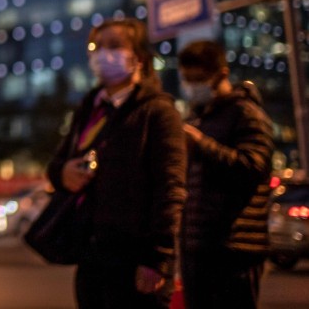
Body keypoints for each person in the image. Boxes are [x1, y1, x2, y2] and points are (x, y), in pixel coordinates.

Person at [45, 17, 186, 309]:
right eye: (97, 46)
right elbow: (57, 163)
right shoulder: (90, 108)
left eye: (115, 45)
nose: (103, 54)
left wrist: (158, 258)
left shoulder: (158, 112)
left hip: (136, 260)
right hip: (92, 256)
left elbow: (170, 189)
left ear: (138, 57)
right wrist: (63, 173)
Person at [177, 40, 274, 309]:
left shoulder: (247, 114)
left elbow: (253, 168)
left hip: (235, 250)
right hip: (197, 248)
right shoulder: (199, 117)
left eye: (197, 79)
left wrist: (200, 144)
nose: (190, 86)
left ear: (221, 74)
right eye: (186, 79)